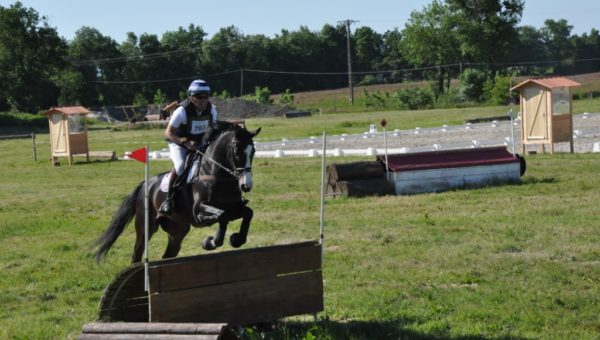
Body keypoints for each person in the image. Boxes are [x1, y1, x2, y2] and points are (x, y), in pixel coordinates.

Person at [159, 79, 218, 215]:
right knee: (180, 166)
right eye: (199, 97)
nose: (203, 101)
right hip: (179, 142)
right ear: (192, 97)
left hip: (199, 143)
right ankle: (169, 199)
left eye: (206, 97)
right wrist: (185, 142)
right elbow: (168, 132)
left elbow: (214, 130)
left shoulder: (212, 110)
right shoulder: (182, 111)